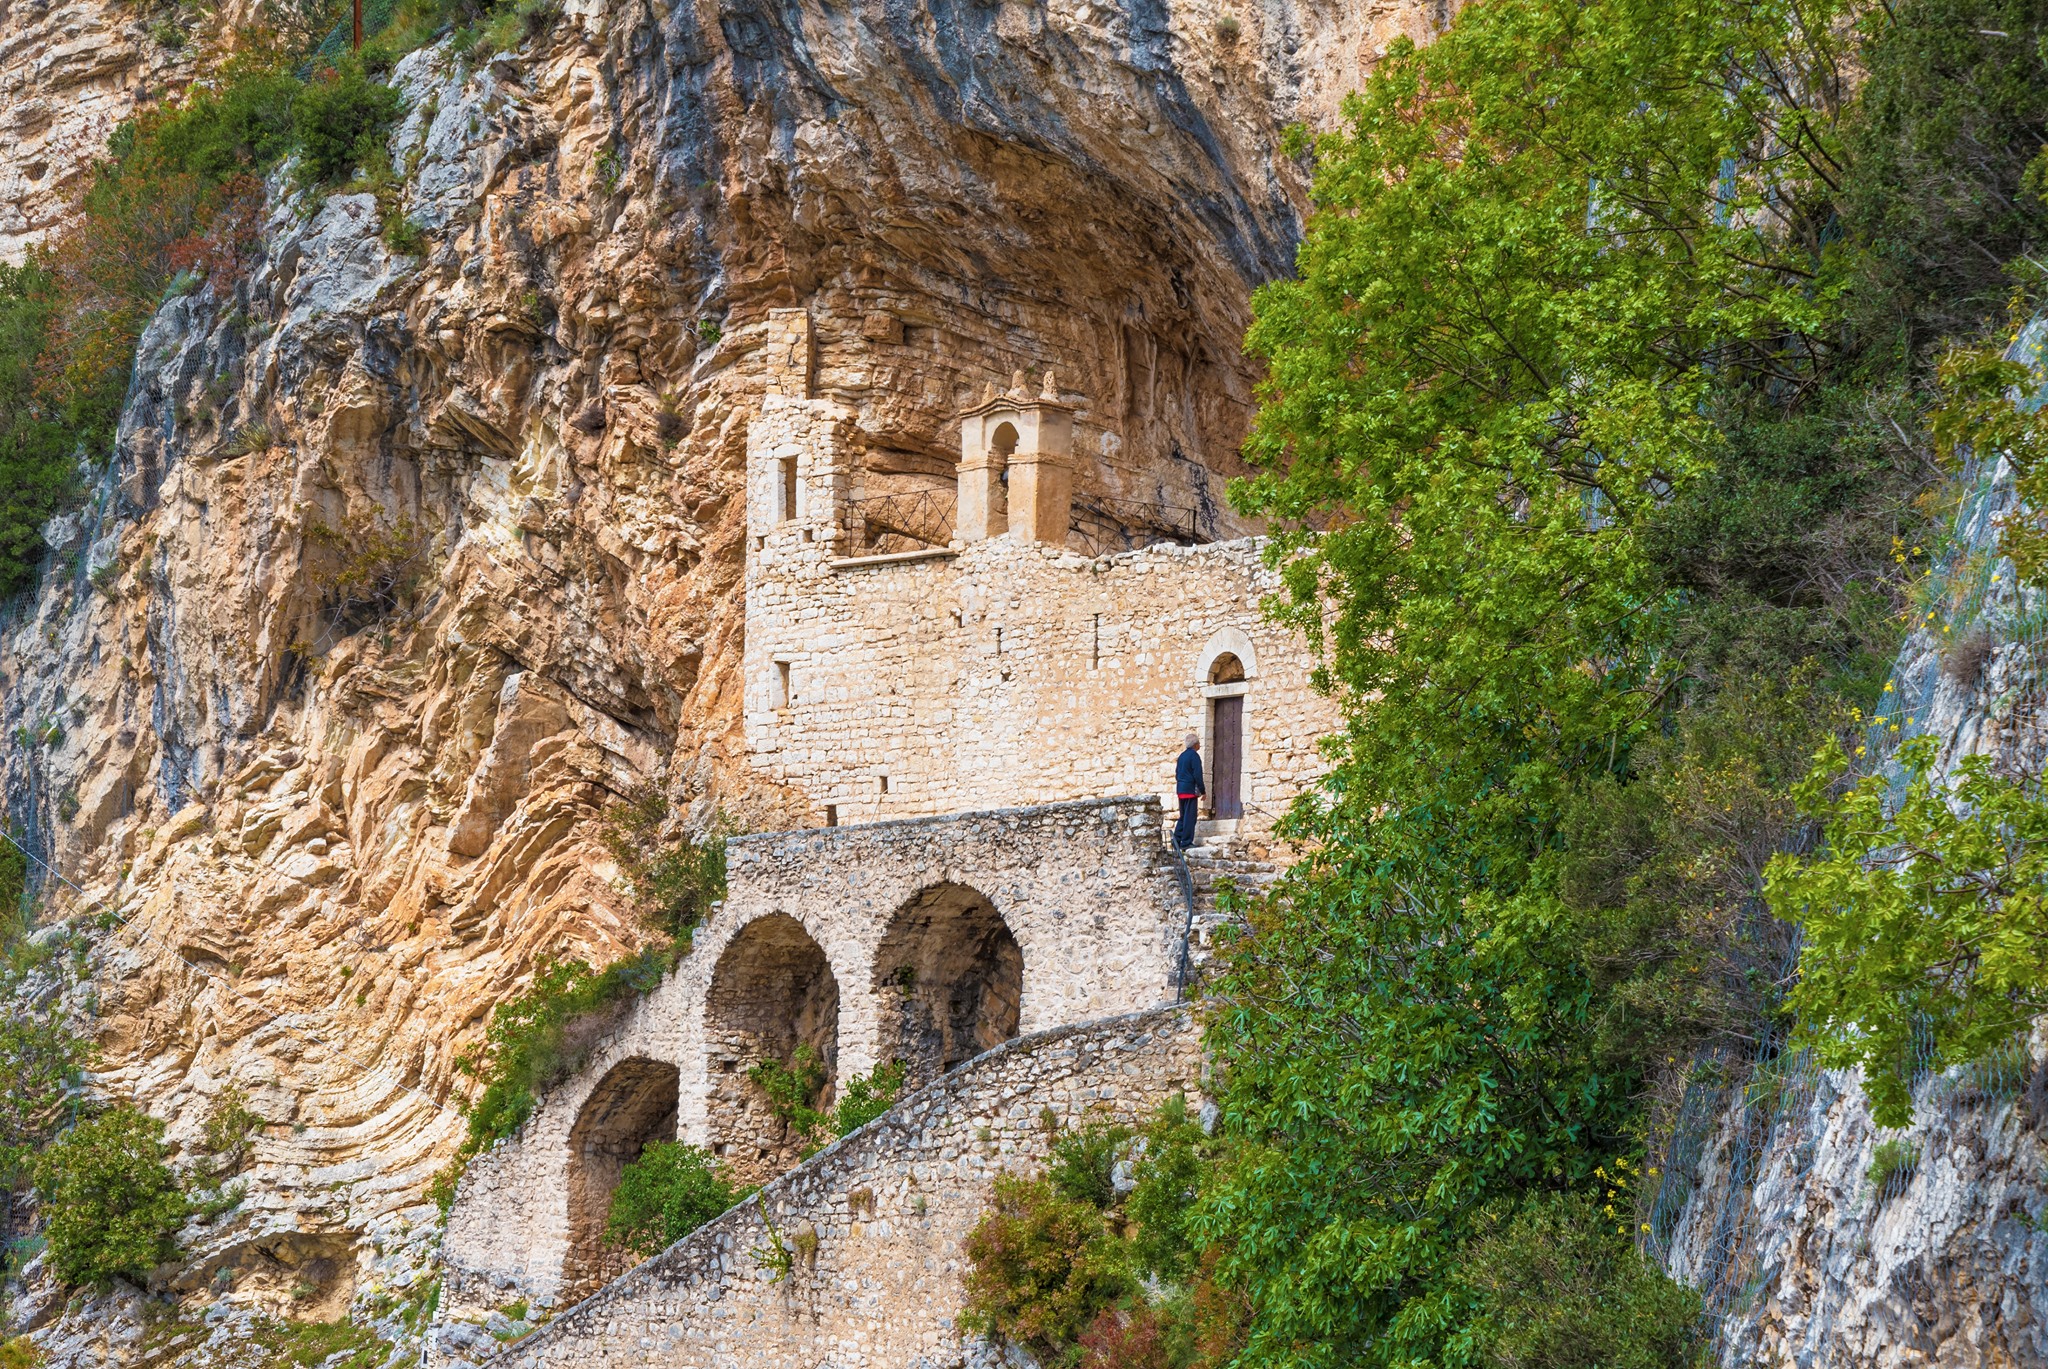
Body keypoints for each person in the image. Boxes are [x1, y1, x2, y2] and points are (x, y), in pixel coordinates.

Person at [1174, 732, 1204, 851]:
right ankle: (1186, 842)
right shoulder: (1194, 756)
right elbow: (1198, 774)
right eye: (1199, 743)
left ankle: (1176, 839)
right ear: (1195, 745)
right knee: (1190, 817)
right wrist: (1202, 790)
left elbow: (1177, 773)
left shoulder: (1181, 756)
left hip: (1181, 789)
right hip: (1190, 790)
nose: (1200, 745)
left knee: (1183, 816)